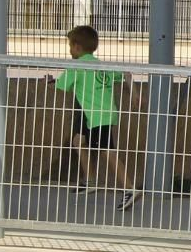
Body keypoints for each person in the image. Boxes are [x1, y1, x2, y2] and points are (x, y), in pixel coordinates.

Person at [52, 25, 139, 211]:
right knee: (78, 140)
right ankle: (90, 180)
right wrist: (135, 93)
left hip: (96, 116)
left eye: (69, 45)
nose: (69, 49)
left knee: (107, 152)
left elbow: (62, 86)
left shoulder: (76, 66)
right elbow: (126, 73)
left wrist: (50, 81)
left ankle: (129, 188)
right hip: (101, 114)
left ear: (76, 46)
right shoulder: (101, 65)